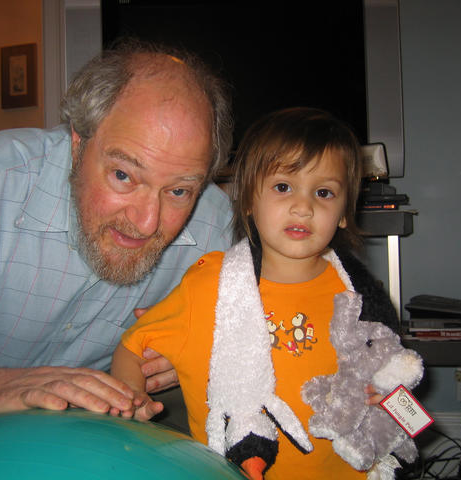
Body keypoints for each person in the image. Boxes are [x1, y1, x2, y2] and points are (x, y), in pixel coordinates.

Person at [0, 39, 234, 443]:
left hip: (76, 443)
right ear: (78, 142)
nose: (146, 222)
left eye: (179, 191)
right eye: (123, 175)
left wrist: (200, 353)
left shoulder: (213, 226)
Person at [111, 107, 399, 479]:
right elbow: (132, 346)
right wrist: (130, 400)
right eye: (283, 187)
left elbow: (392, 371)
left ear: (344, 212)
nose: (303, 207)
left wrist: (386, 394)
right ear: (248, 199)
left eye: (324, 192)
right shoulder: (208, 285)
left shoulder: (359, 296)